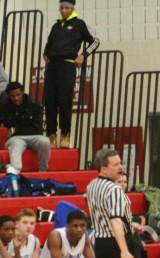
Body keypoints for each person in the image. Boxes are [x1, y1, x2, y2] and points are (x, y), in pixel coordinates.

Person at [43, 0, 99, 149]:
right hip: (52, 66)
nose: (63, 10)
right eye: (61, 7)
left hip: (67, 65)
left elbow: (95, 41)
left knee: (64, 101)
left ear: (72, 9)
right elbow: (48, 44)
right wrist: (45, 54)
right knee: (50, 102)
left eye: (66, 8)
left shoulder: (79, 24)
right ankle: (51, 135)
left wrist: (83, 55)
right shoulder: (56, 26)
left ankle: (66, 134)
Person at [0, 81, 50, 176]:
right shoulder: (5, 107)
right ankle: (15, 172)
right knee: (15, 145)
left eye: (18, 95)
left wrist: (16, 130)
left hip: (34, 136)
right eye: (13, 96)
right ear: (8, 96)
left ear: (22, 93)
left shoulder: (34, 105)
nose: (16, 98)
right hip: (16, 138)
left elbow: (38, 129)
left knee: (45, 142)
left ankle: (43, 172)